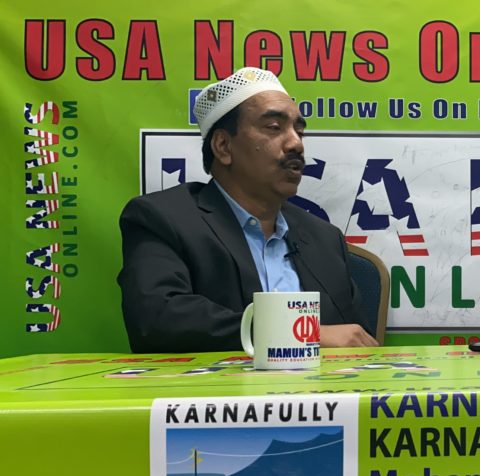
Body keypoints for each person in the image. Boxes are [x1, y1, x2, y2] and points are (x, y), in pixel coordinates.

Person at [118, 67, 377, 352]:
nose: (296, 143)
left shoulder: (324, 239)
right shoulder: (164, 219)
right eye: (274, 127)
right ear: (223, 146)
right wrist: (302, 334)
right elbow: (157, 320)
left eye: (299, 131)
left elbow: (357, 340)